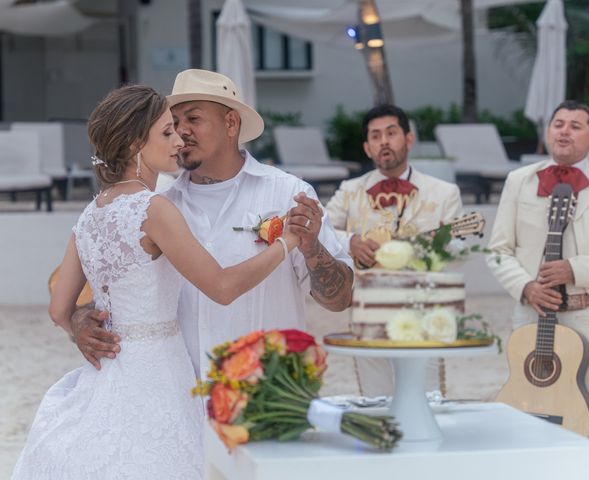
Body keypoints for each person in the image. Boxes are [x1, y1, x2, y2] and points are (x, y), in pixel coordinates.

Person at [12, 85, 302, 479]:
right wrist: (288, 243)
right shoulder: (154, 208)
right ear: (135, 144)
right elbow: (221, 287)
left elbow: (59, 309)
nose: (178, 139)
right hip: (158, 372)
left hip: (108, 371)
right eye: (166, 132)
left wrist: (81, 329)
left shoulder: (91, 213)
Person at [69, 69, 354, 384]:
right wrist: (81, 322)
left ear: (231, 123)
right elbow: (96, 289)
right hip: (183, 394)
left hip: (268, 389)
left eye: (193, 118)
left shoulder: (288, 194)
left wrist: (312, 247)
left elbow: (339, 300)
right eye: (174, 123)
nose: (182, 131)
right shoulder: (153, 205)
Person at [487, 100, 589, 480]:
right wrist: (525, 288)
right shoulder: (519, 181)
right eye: (558, 124)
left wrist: (575, 269)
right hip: (532, 317)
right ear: (547, 131)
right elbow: (498, 251)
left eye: (575, 125)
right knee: (527, 415)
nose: (564, 131)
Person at [325, 104, 463, 396]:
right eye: (375, 136)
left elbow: (458, 246)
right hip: (367, 310)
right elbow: (321, 229)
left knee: (427, 398)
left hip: (424, 310)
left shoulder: (444, 193)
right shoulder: (350, 190)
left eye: (391, 133)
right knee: (375, 400)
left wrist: (427, 247)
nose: (384, 141)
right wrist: (351, 241)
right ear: (367, 147)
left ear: (408, 140)